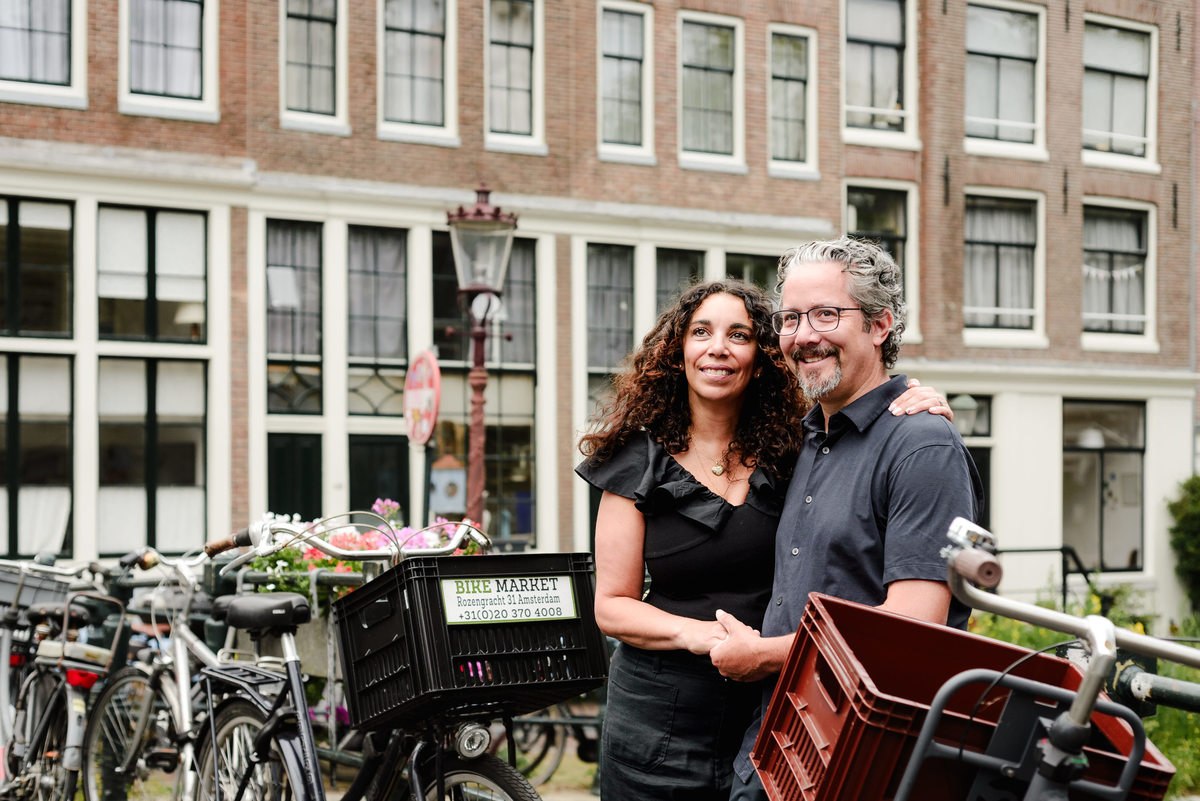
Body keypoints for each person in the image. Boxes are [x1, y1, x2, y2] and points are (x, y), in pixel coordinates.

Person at [575, 278, 951, 801]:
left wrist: (918, 402)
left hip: (769, 707)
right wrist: (703, 636)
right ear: (677, 350)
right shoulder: (634, 458)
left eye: (740, 334)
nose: (718, 348)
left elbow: (865, 431)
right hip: (658, 717)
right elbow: (612, 606)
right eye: (701, 331)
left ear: (763, 355)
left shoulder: (797, 448)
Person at [707, 238, 985, 801]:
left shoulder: (921, 444)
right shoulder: (810, 434)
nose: (803, 334)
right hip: (780, 747)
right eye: (790, 318)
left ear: (881, 325)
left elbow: (911, 625)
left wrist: (761, 655)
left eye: (826, 314)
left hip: (862, 760)